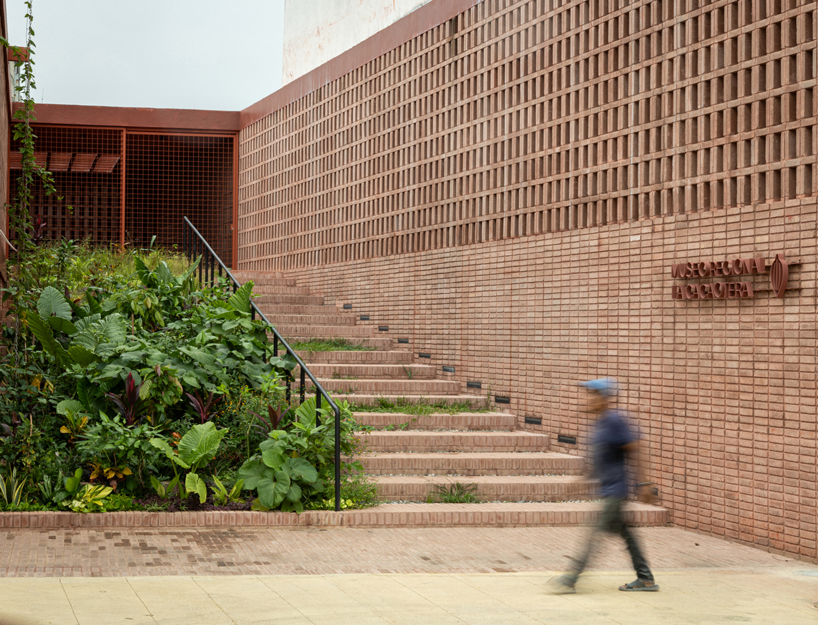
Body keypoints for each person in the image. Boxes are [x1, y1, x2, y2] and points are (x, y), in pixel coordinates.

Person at [552, 377, 659, 593]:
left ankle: (570, 578)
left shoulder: (615, 420)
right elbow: (598, 461)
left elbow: (636, 448)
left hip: (616, 491)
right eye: (588, 393)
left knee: (594, 531)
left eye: (593, 394)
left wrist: (644, 483)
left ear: (605, 398)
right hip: (608, 489)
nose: (588, 398)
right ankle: (646, 578)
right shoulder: (599, 424)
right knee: (626, 534)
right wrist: (580, 481)